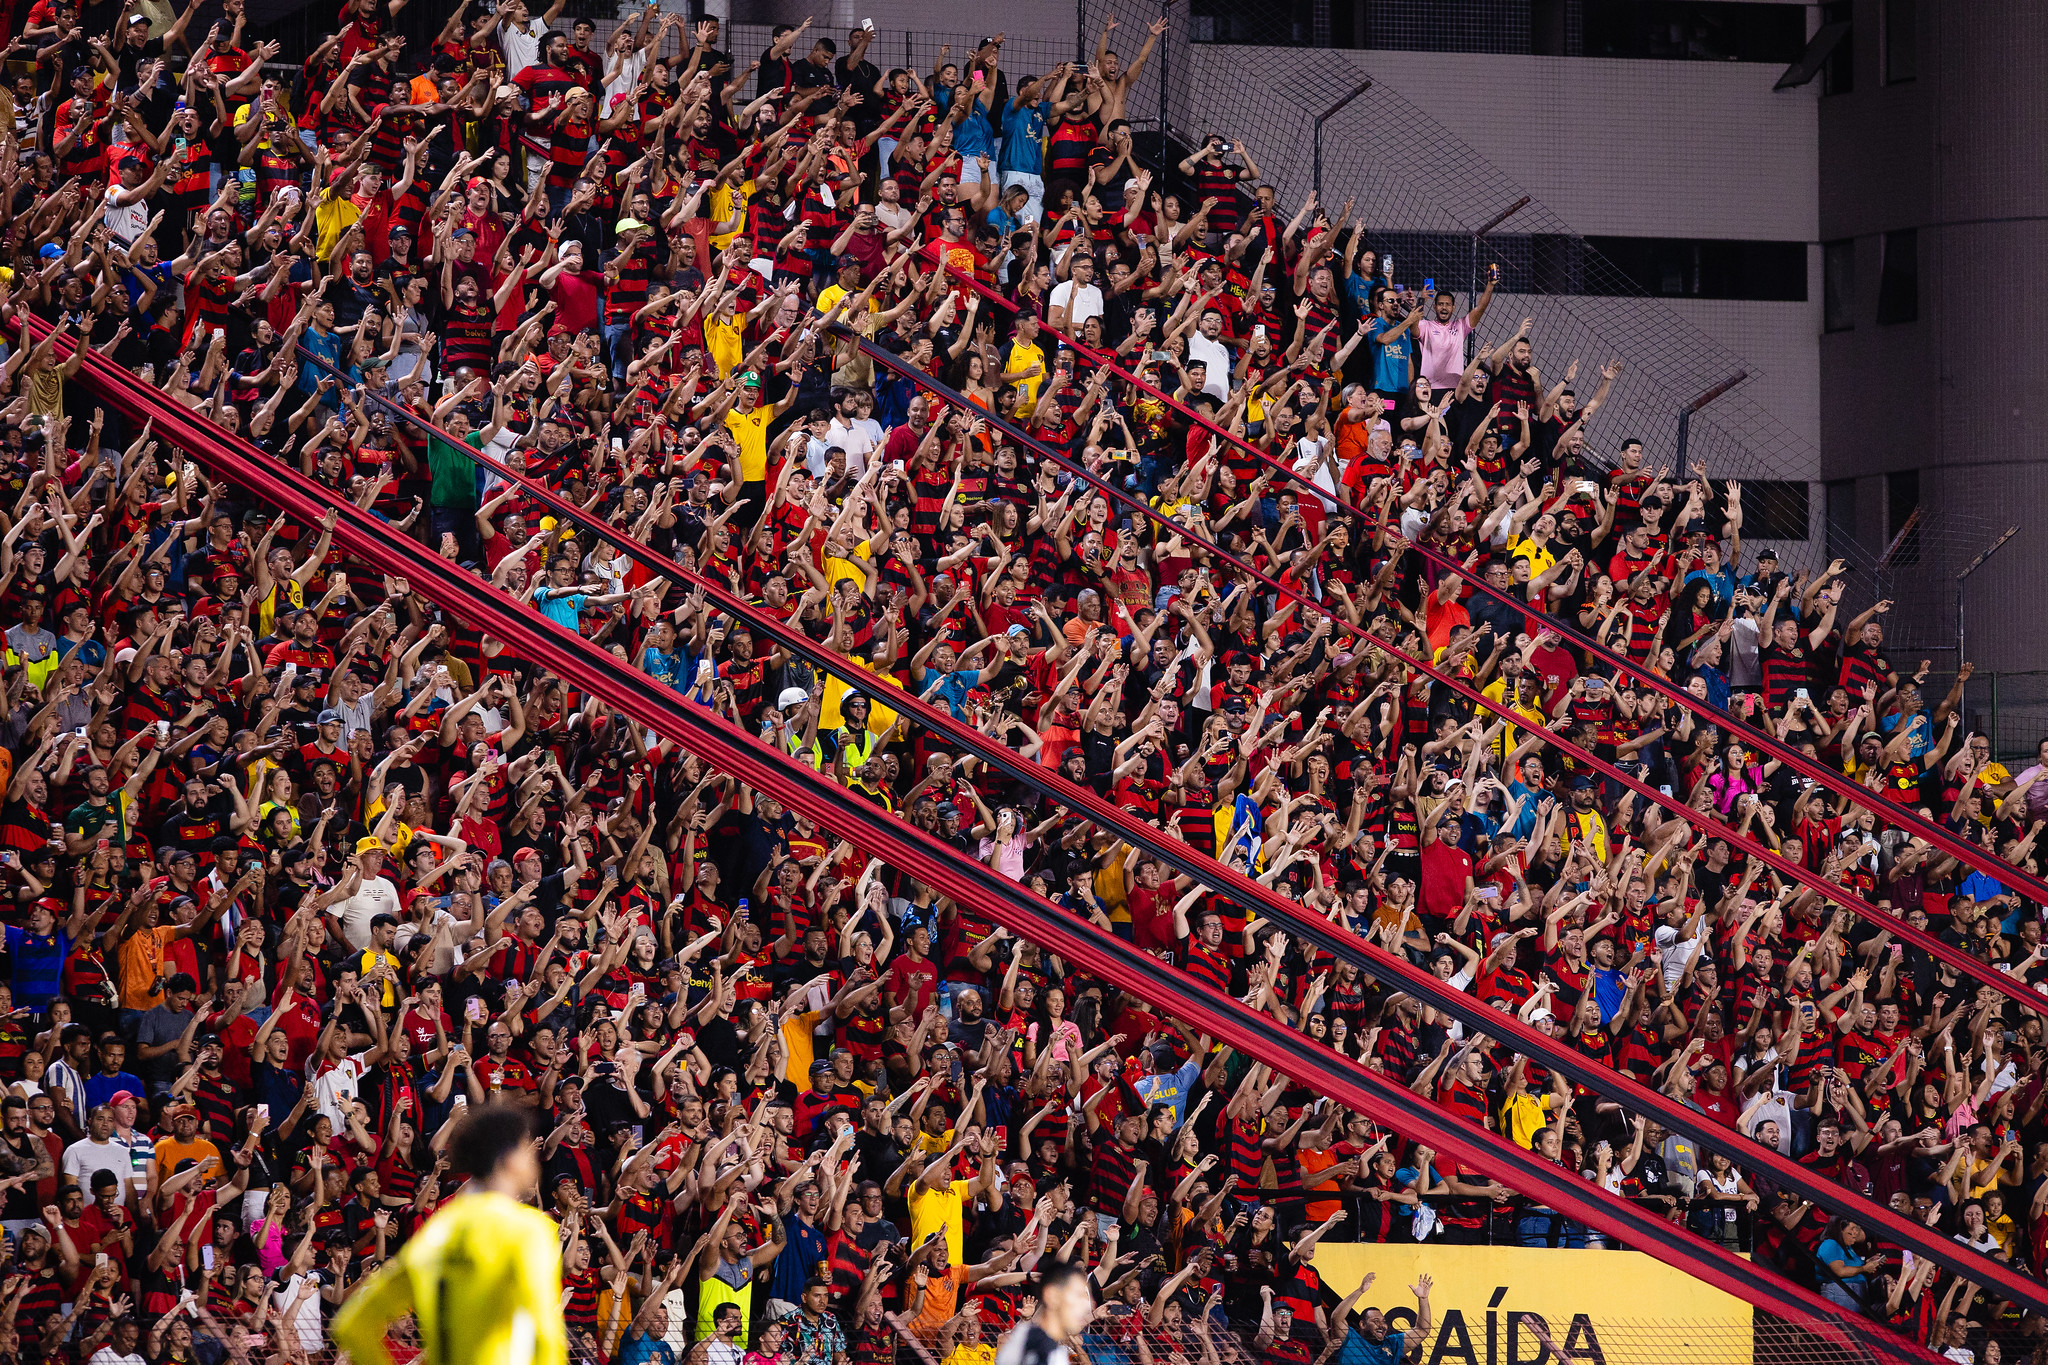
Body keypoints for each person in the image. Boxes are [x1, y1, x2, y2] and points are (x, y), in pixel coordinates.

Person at [331, 1103, 567, 1365]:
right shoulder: (528, 1230)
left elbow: (353, 1325)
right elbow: (543, 1336)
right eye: (527, 1153)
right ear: (509, 1159)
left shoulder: (438, 1232)